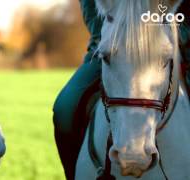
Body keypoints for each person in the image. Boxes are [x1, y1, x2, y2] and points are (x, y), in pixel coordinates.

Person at [53, 0, 190, 179]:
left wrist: (181, 34)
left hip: (171, 43)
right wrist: (105, 33)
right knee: (65, 107)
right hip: (114, 42)